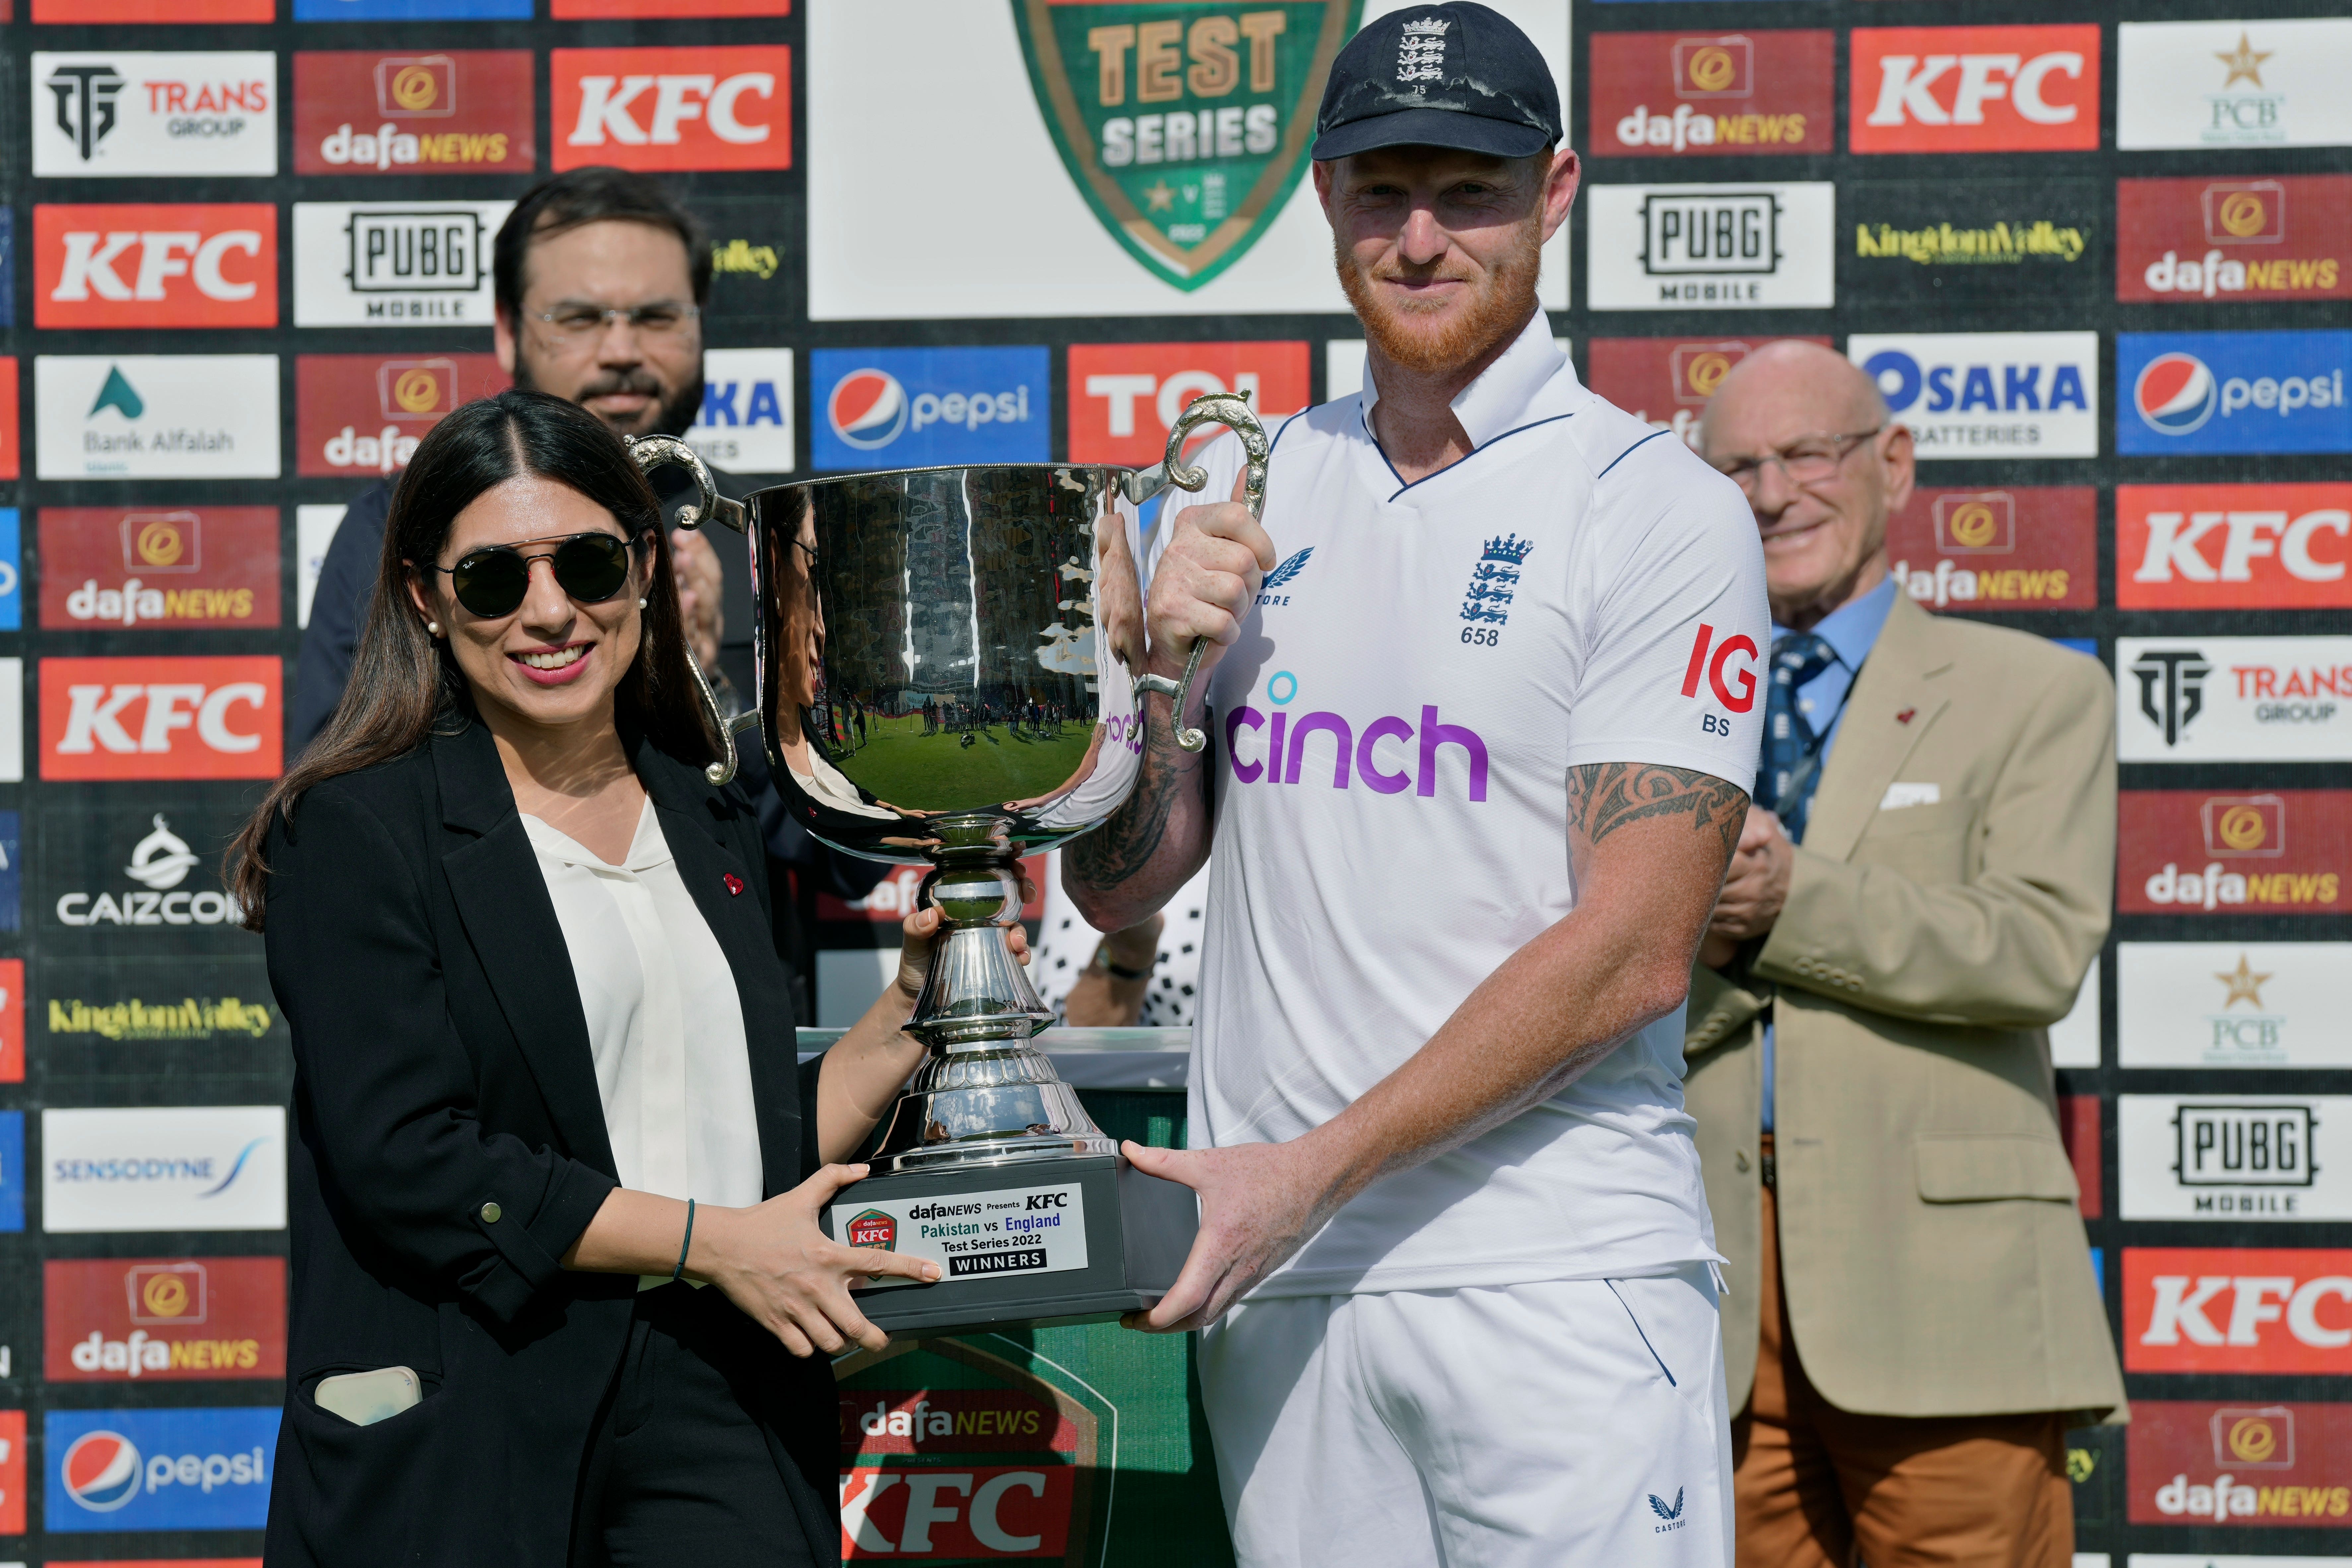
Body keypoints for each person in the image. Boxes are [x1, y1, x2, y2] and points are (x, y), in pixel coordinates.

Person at [1063, 7, 1769, 1564]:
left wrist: (1294, 1177)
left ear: (1556, 191)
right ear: (1322, 195)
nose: (1421, 234)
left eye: (1470, 188)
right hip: (1290, 1284)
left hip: (1554, 1273)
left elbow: (1637, 945)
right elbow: (1113, 886)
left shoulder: (1651, 508)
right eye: (1382, 189)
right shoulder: (1245, 486)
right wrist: (1168, 675)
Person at [233, 390, 1007, 1567]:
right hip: (474, 1411)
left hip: (722, 1392)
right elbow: (411, 1158)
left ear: (645, 566)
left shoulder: (704, 806)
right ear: (425, 601)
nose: (550, 612)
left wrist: (915, 1001)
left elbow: (742, 1142)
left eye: (588, 562)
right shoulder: (350, 829)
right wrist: (717, 1242)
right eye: (494, 578)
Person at [1680, 340, 2123, 1568]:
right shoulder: (1653, 710)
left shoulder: (2036, 691)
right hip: (1701, 1298)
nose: (1773, 494)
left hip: (1947, 1299)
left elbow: (2037, 950)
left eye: (1808, 455)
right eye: (1737, 469)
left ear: (1892, 464)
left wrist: (1784, 905)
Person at [293, 166, 742, 751]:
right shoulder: (397, 525)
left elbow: (806, 832)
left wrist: (708, 690)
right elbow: (333, 798)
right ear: (508, 330)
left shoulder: (764, 531)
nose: (622, 351)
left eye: (657, 318)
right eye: (580, 319)